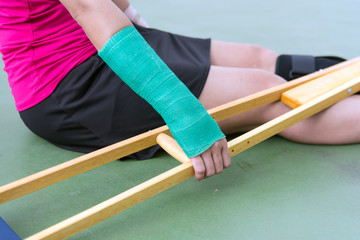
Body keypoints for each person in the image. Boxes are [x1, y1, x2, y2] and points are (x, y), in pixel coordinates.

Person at [0, 0, 359, 182]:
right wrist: (184, 113)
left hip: (112, 40)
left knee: (259, 59)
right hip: (68, 86)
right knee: (267, 92)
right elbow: (90, 8)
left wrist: (142, 28)